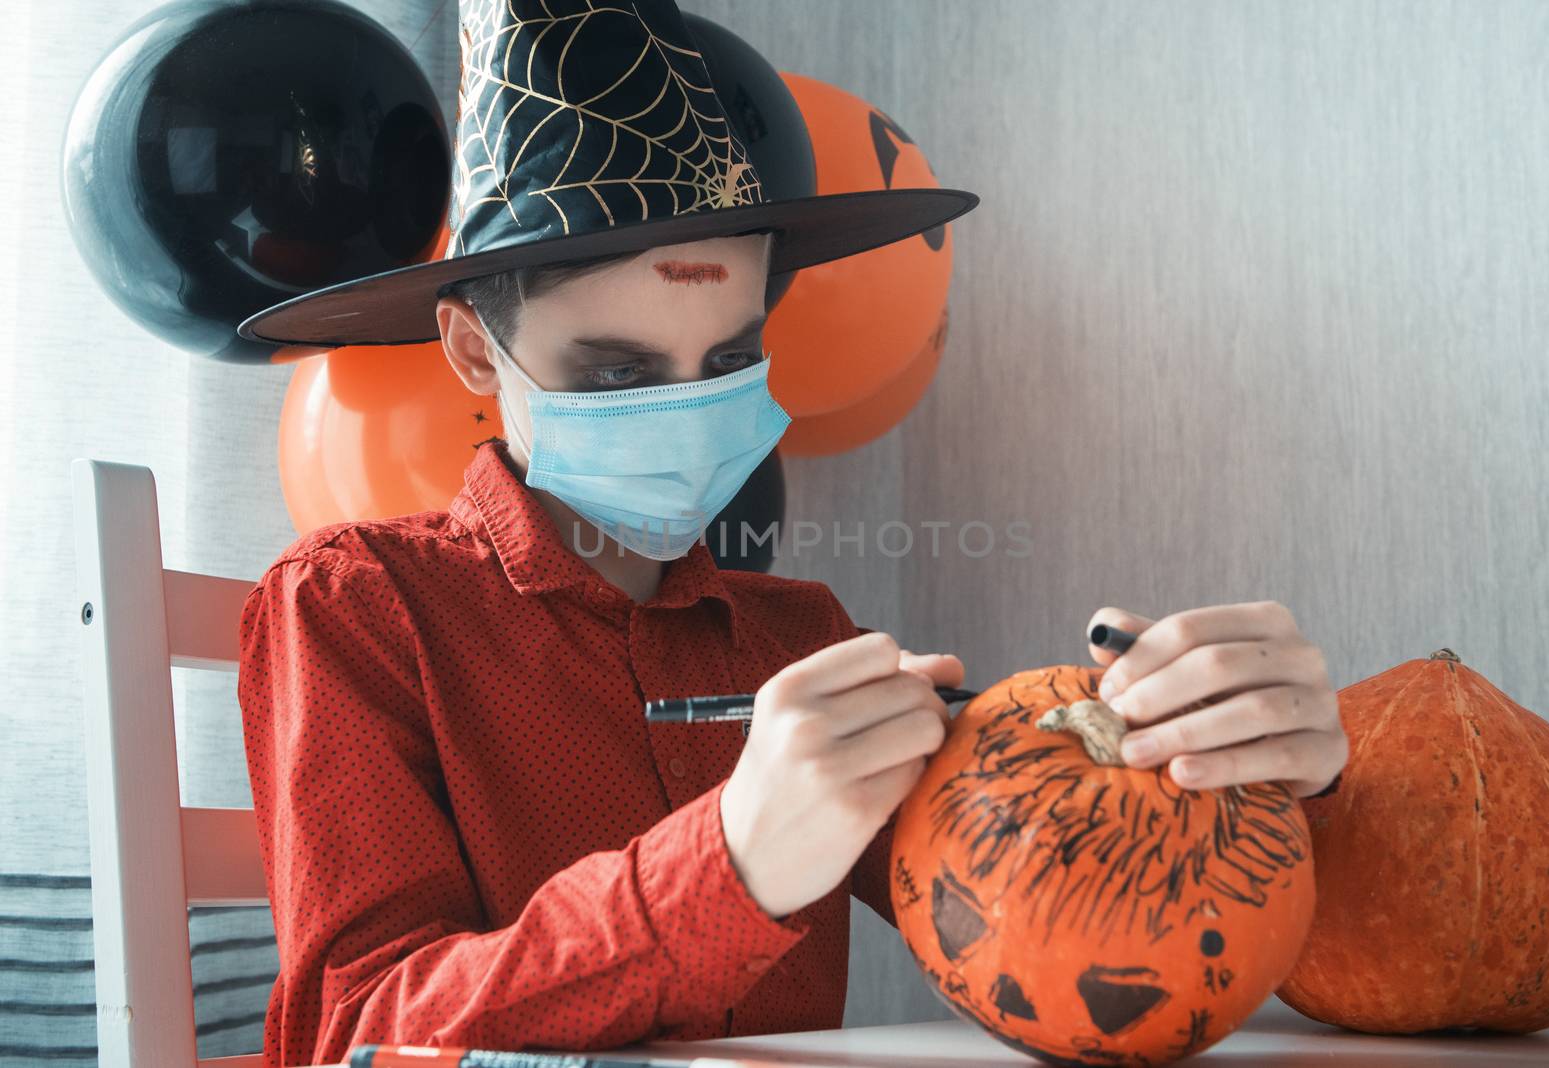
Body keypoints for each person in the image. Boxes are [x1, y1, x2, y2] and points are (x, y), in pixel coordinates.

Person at [234, 3, 1346, 1066]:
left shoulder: (797, 638)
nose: (683, 408)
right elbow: (354, 1036)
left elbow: (1046, 904)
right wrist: (727, 865)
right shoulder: (353, 608)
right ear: (476, 352)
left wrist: (1226, 769)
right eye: (614, 371)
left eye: (727, 361)